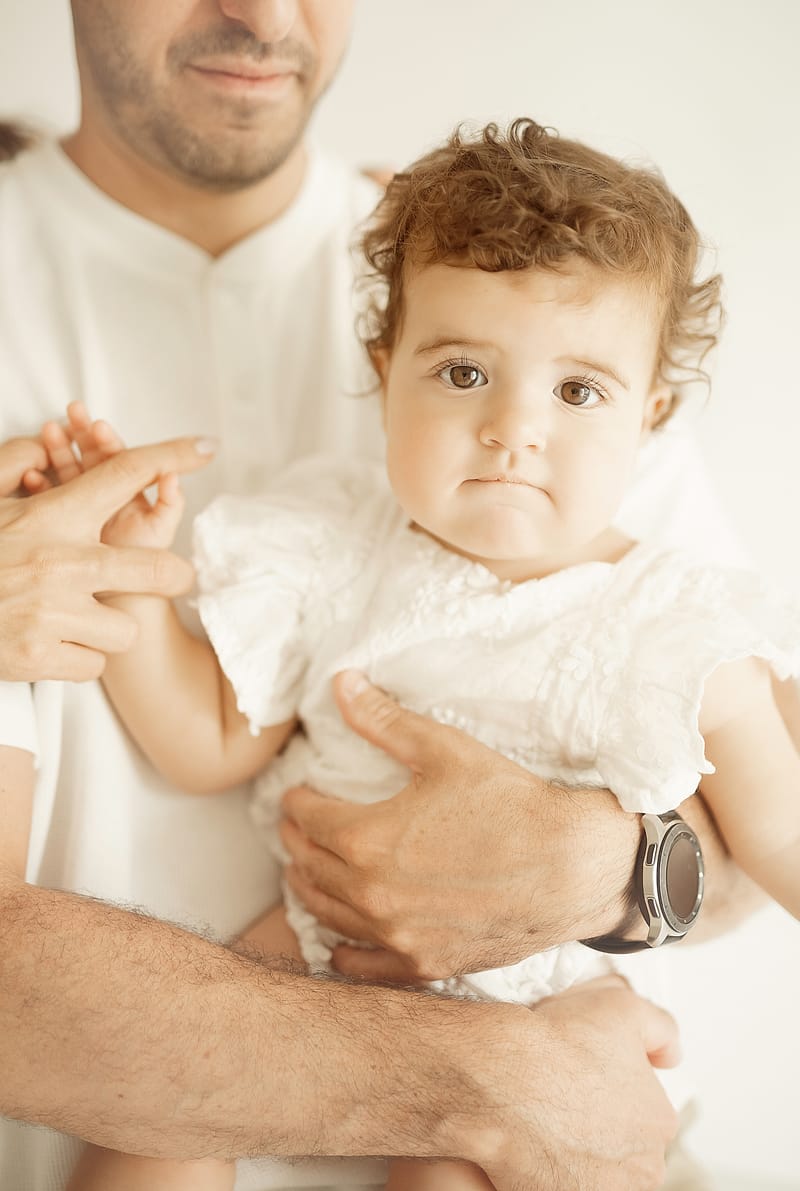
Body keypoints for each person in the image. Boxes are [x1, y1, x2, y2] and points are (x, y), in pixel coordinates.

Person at [0, 2, 756, 1188]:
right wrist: (490, 1079)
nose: (255, 13)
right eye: (459, 377)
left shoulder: (540, 275)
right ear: (386, 364)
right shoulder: (417, 342)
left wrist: (605, 869)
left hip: (565, 1107)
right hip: (230, 1060)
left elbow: (741, 838)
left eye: (574, 397)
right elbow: (208, 735)